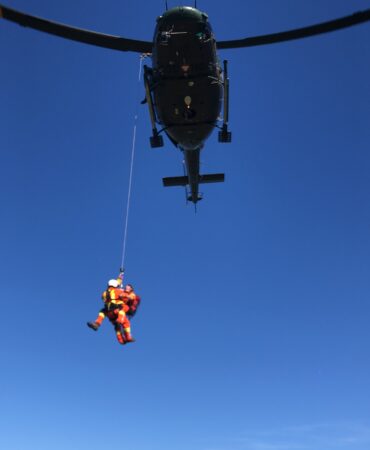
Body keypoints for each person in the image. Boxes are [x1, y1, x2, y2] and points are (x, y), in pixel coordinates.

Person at [87, 277, 135, 345]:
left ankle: (97, 323)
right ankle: (128, 337)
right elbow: (128, 297)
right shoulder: (119, 291)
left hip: (109, 313)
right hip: (117, 311)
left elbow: (104, 298)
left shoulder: (104, 293)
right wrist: (125, 293)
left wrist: (120, 278)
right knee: (126, 320)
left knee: (114, 323)